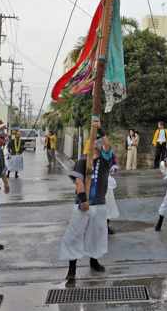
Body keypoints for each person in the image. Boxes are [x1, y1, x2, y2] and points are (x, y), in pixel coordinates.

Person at [61, 119, 112, 280]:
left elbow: (107, 146)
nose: (96, 143)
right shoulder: (82, 162)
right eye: (93, 141)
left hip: (100, 203)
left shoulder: (105, 161)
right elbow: (79, 181)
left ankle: (94, 261)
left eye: (98, 142)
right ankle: (72, 269)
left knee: (97, 235)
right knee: (74, 234)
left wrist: (100, 130)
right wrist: (83, 200)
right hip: (83, 204)